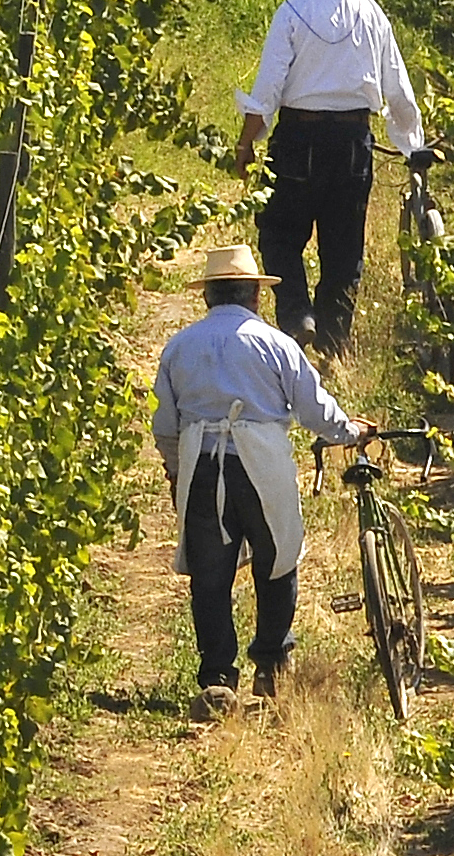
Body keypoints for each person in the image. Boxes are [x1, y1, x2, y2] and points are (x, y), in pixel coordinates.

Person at [153, 244, 373, 702]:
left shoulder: (180, 346)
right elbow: (313, 407)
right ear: (255, 296)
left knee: (210, 573)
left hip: (203, 461)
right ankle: (271, 661)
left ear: (207, 297)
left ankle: (217, 676)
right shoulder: (276, 344)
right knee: (278, 558)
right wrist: (347, 431)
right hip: (263, 458)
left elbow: (166, 427)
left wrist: (177, 473)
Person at [229, 0, 429, 354]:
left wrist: (246, 145)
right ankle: (335, 343)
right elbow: (397, 88)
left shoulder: (292, 12)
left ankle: (299, 315)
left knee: (279, 232)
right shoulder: (370, 12)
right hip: (353, 140)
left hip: (299, 138)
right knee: (343, 245)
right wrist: (412, 146)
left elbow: (267, 91)